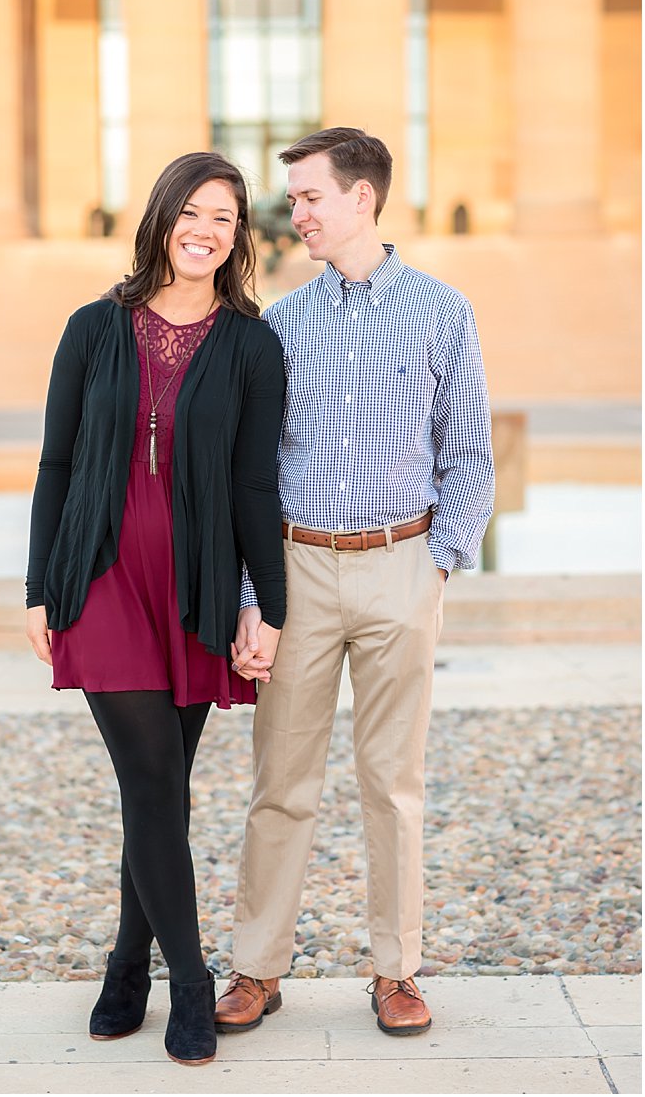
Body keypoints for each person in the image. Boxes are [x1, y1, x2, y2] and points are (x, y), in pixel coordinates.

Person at [220, 128, 494, 1038]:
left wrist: (437, 563)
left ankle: (396, 969)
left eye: (308, 197)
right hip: (296, 569)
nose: (293, 212)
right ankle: (257, 967)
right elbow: (252, 472)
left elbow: (470, 457)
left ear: (362, 198)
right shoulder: (280, 325)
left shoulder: (442, 312)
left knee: (394, 782)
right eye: (292, 198)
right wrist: (255, 595)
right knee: (280, 783)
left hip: (400, 565)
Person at [24, 151, 286, 1067]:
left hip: (198, 590)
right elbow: (56, 463)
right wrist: (38, 584)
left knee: (161, 794)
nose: (206, 230)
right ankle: (190, 978)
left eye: (226, 217)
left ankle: (125, 963)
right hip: (99, 578)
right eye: (193, 212)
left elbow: (256, 482)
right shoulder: (95, 327)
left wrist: (272, 605)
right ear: (163, 218)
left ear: (237, 235)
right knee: (148, 779)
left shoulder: (253, 344)